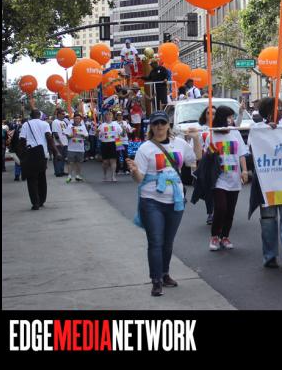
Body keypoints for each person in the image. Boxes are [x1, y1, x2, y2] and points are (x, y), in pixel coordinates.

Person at [126, 111, 202, 297]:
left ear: (168, 125)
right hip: (151, 200)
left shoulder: (180, 144)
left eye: (162, 123)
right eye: (155, 123)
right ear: (151, 127)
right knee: (155, 241)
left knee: (168, 242)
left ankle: (165, 274)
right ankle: (156, 280)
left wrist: (196, 139)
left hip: (175, 200)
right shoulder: (145, 148)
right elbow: (139, 179)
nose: (159, 126)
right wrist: (134, 171)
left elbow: (195, 160)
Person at [248, 98, 282, 271]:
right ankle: (270, 256)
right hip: (267, 183)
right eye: (277, 107)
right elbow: (252, 150)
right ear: (268, 111)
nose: (281, 109)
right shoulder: (257, 128)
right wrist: (266, 132)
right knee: (269, 221)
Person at [202, 106, 249, 252]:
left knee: (230, 211)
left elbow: (241, 154)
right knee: (221, 208)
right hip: (219, 178)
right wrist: (210, 152)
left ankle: (225, 237)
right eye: (228, 117)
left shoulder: (235, 133)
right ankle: (214, 236)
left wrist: (244, 170)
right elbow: (206, 156)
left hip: (234, 177)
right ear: (222, 118)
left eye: (232, 117)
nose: (231, 120)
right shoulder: (211, 135)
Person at [18, 110, 61, 210]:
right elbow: (49, 139)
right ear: (39, 115)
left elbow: (22, 140)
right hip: (42, 154)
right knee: (42, 177)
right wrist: (56, 152)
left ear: (30, 116)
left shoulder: (26, 124)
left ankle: (35, 203)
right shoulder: (45, 124)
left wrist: (21, 155)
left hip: (31, 154)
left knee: (31, 179)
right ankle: (42, 200)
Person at [63, 112, 88, 182]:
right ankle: (69, 176)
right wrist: (72, 135)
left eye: (79, 119)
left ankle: (78, 175)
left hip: (80, 148)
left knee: (79, 163)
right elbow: (67, 136)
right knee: (70, 162)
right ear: (73, 119)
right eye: (76, 118)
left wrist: (83, 135)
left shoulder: (83, 127)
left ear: (80, 120)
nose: (77, 120)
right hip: (71, 148)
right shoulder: (70, 126)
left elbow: (87, 136)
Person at [98, 110, 122, 182]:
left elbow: (121, 133)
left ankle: (113, 176)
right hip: (104, 143)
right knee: (105, 162)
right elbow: (97, 135)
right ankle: (105, 175)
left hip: (114, 143)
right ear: (105, 117)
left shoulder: (116, 124)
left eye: (110, 115)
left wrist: (124, 130)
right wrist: (96, 132)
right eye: (107, 115)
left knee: (113, 160)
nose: (108, 116)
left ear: (112, 116)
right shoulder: (102, 125)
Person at [51, 109, 69, 177]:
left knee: (63, 158)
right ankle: (57, 172)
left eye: (64, 114)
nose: (64, 115)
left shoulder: (63, 122)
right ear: (58, 114)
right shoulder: (55, 122)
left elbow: (66, 132)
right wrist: (60, 142)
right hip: (58, 144)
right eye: (62, 114)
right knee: (58, 158)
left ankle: (62, 171)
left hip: (65, 143)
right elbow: (55, 133)